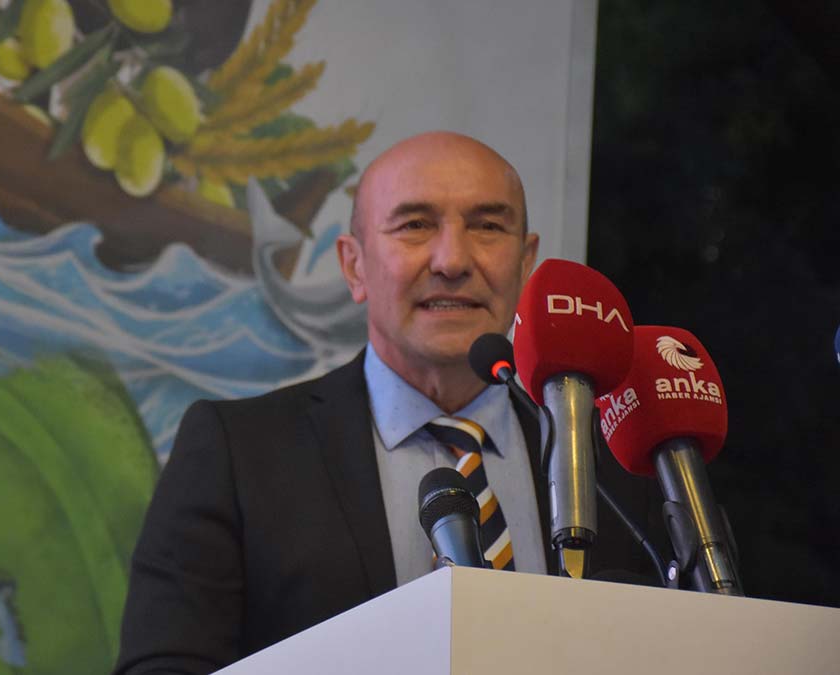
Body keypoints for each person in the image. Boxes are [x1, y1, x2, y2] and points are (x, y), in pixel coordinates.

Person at [112, 132, 656, 675]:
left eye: (488, 226)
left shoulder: (614, 462)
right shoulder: (237, 455)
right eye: (415, 225)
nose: (452, 260)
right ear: (355, 266)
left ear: (525, 262)